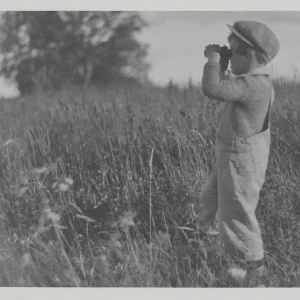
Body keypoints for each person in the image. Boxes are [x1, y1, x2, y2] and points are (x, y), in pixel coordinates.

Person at [198, 20, 280, 286]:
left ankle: (253, 269)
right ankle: (209, 245)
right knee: (209, 199)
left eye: (232, 52)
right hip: (232, 156)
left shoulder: (253, 86)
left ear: (251, 54)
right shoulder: (250, 82)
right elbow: (224, 87)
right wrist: (221, 63)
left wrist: (212, 60)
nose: (228, 56)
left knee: (237, 213)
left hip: (241, 160)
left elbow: (213, 89)